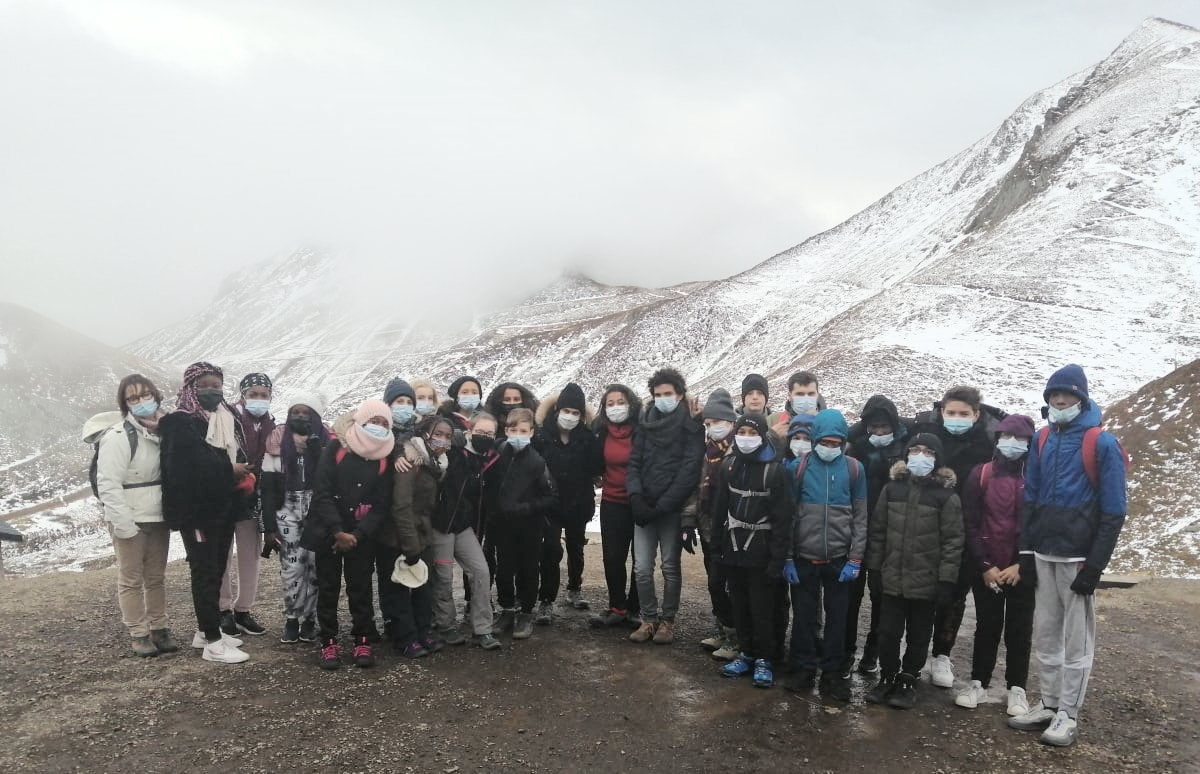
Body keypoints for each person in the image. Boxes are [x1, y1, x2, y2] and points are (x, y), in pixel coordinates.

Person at [1008, 365, 1127, 747]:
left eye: (1067, 396)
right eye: (1053, 396)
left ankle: (1068, 713)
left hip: (1077, 556)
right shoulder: (1042, 439)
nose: (1059, 402)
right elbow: (1031, 499)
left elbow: (1114, 511)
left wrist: (1095, 566)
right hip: (1044, 552)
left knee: (1077, 641)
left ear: (1082, 398)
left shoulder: (1102, 443)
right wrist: (1026, 551)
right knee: (1045, 634)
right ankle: (1049, 702)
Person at [916, 385, 1007, 688]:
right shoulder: (929, 436)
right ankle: (915, 653)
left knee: (954, 594)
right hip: (930, 525)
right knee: (925, 591)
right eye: (950, 412)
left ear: (976, 415)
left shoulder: (987, 444)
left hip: (971, 528)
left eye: (963, 414)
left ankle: (942, 654)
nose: (956, 418)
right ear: (941, 412)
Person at [160, 362, 250, 664]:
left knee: (216, 570)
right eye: (205, 385)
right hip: (197, 512)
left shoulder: (222, 418)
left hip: (221, 508)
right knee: (204, 572)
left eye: (217, 385)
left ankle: (205, 630)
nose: (213, 391)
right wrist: (230, 469)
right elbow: (186, 468)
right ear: (191, 388)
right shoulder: (179, 422)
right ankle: (213, 641)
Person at [865, 434, 963, 709]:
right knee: (888, 632)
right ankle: (887, 676)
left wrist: (946, 580)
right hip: (892, 577)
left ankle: (909, 679)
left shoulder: (946, 496)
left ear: (937, 458)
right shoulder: (892, 489)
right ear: (906, 455)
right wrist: (874, 569)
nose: (921, 456)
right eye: (915, 450)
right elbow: (878, 531)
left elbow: (953, 541)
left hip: (926, 580)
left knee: (919, 634)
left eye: (928, 451)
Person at [782, 409, 867, 702]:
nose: (830, 448)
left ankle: (832, 675)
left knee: (837, 620)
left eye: (836, 443)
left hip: (839, 560)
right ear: (816, 439)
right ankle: (803, 669)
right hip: (804, 558)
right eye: (825, 442)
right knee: (804, 618)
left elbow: (860, 517)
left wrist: (855, 559)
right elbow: (788, 517)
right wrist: (788, 558)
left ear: (843, 443)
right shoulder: (798, 468)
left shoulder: (855, 469)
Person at [956, 414, 1037, 717]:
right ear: (997, 439)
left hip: (1022, 569)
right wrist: (983, 563)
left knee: (1020, 628)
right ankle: (978, 682)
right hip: (987, 566)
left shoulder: (1036, 477)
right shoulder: (982, 474)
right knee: (987, 626)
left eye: (1019, 438)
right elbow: (971, 522)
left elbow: (1038, 524)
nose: (1012, 443)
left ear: (1030, 443)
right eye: (1006, 436)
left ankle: (1017, 688)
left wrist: (1022, 564)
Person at [91, 374, 177, 657]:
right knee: (130, 578)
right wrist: (123, 524)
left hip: (158, 516)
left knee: (155, 577)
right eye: (133, 398)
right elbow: (108, 484)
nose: (141, 402)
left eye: (145, 395)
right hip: (131, 517)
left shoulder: (162, 430)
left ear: (155, 395)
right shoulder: (117, 437)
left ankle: (159, 628)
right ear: (125, 404)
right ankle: (138, 633)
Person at [305, 399, 395, 669]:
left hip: (361, 536)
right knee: (328, 587)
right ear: (361, 420)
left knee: (361, 587)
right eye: (373, 421)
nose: (377, 427)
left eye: (383, 423)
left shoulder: (384, 455)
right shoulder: (336, 447)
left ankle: (363, 639)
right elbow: (321, 493)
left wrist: (358, 533)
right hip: (328, 532)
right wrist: (338, 531)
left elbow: (382, 504)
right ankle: (328, 641)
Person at [711, 413, 792, 689]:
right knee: (740, 605)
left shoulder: (776, 470)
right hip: (733, 548)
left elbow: (783, 520)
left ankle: (765, 659)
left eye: (751, 432)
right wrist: (716, 549)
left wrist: (777, 560)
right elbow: (719, 507)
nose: (746, 437)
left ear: (762, 435)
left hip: (762, 551)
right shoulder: (729, 466)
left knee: (762, 608)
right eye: (741, 431)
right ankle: (746, 653)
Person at [627, 367, 704, 645]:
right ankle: (648, 619)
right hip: (644, 507)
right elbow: (634, 462)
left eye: (668, 394)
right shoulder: (645, 423)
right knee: (642, 567)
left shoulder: (691, 425)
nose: (662, 398)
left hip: (670, 508)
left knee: (670, 566)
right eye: (657, 394)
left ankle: (667, 621)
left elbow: (689, 470)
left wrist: (662, 505)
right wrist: (635, 496)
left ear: (680, 395)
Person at [843, 395, 914, 675]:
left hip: (889, 536)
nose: (880, 433)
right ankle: (846, 651)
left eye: (885, 427)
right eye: (874, 427)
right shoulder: (856, 448)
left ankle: (873, 652)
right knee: (850, 596)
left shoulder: (906, 452)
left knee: (882, 599)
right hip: (856, 531)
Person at [260, 392, 330, 645]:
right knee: (291, 567)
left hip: (316, 510)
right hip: (286, 510)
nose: (301, 417)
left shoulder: (325, 441)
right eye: (296, 412)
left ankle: (309, 619)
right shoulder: (276, 444)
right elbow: (266, 490)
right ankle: (291, 618)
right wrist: (268, 527)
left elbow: (328, 478)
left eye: (306, 413)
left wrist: (316, 450)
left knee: (314, 566)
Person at [430, 412, 503, 651]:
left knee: (481, 571)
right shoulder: (454, 451)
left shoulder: (490, 460)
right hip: (441, 524)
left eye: (490, 433)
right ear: (469, 431)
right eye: (480, 432)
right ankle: (446, 625)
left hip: (463, 526)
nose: (485, 436)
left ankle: (483, 628)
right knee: (443, 576)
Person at [487, 407, 557, 641]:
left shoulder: (537, 462)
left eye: (523, 430)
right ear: (506, 430)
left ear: (532, 432)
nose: (518, 434)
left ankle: (526, 612)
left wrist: (526, 508)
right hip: (502, 524)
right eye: (513, 429)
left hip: (530, 525)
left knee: (528, 568)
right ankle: (507, 610)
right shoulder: (497, 453)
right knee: (504, 568)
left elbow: (549, 496)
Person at [387, 415, 453, 658]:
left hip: (422, 533)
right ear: (424, 433)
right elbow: (401, 505)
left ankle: (422, 632)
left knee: (424, 584)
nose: (442, 440)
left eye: (447, 436)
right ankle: (405, 638)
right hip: (400, 535)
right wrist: (410, 545)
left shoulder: (435, 464)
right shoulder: (411, 461)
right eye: (438, 434)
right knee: (401, 586)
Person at [533, 383, 599, 622]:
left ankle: (574, 589)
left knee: (576, 547)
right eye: (566, 411)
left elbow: (596, 468)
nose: (570, 416)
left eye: (575, 412)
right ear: (557, 410)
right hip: (550, 504)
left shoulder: (588, 438)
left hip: (579, 503)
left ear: (581, 415)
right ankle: (546, 600)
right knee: (550, 550)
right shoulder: (541, 436)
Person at [219, 372, 276, 639]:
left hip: (254, 498)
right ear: (243, 395)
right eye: (253, 394)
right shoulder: (226, 419)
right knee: (221, 554)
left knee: (249, 555)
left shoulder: (270, 425)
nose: (259, 399)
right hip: (224, 495)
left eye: (264, 395)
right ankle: (223, 610)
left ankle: (243, 610)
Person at [589, 384, 643, 629]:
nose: (615, 407)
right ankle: (616, 607)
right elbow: (592, 461)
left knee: (640, 559)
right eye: (610, 403)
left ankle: (635, 609)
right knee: (613, 557)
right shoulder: (600, 431)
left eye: (620, 401)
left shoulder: (642, 430)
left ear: (630, 403)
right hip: (612, 502)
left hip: (640, 502)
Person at [695, 388, 737, 659]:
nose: (713, 428)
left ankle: (736, 638)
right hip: (709, 525)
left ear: (731, 421)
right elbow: (699, 487)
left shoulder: (740, 448)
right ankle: (722, 629)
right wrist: (691, 521)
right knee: (714, 582)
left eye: (717, 422)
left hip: (732, 529)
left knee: (729, 583)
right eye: (708, 424)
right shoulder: (708, 451)